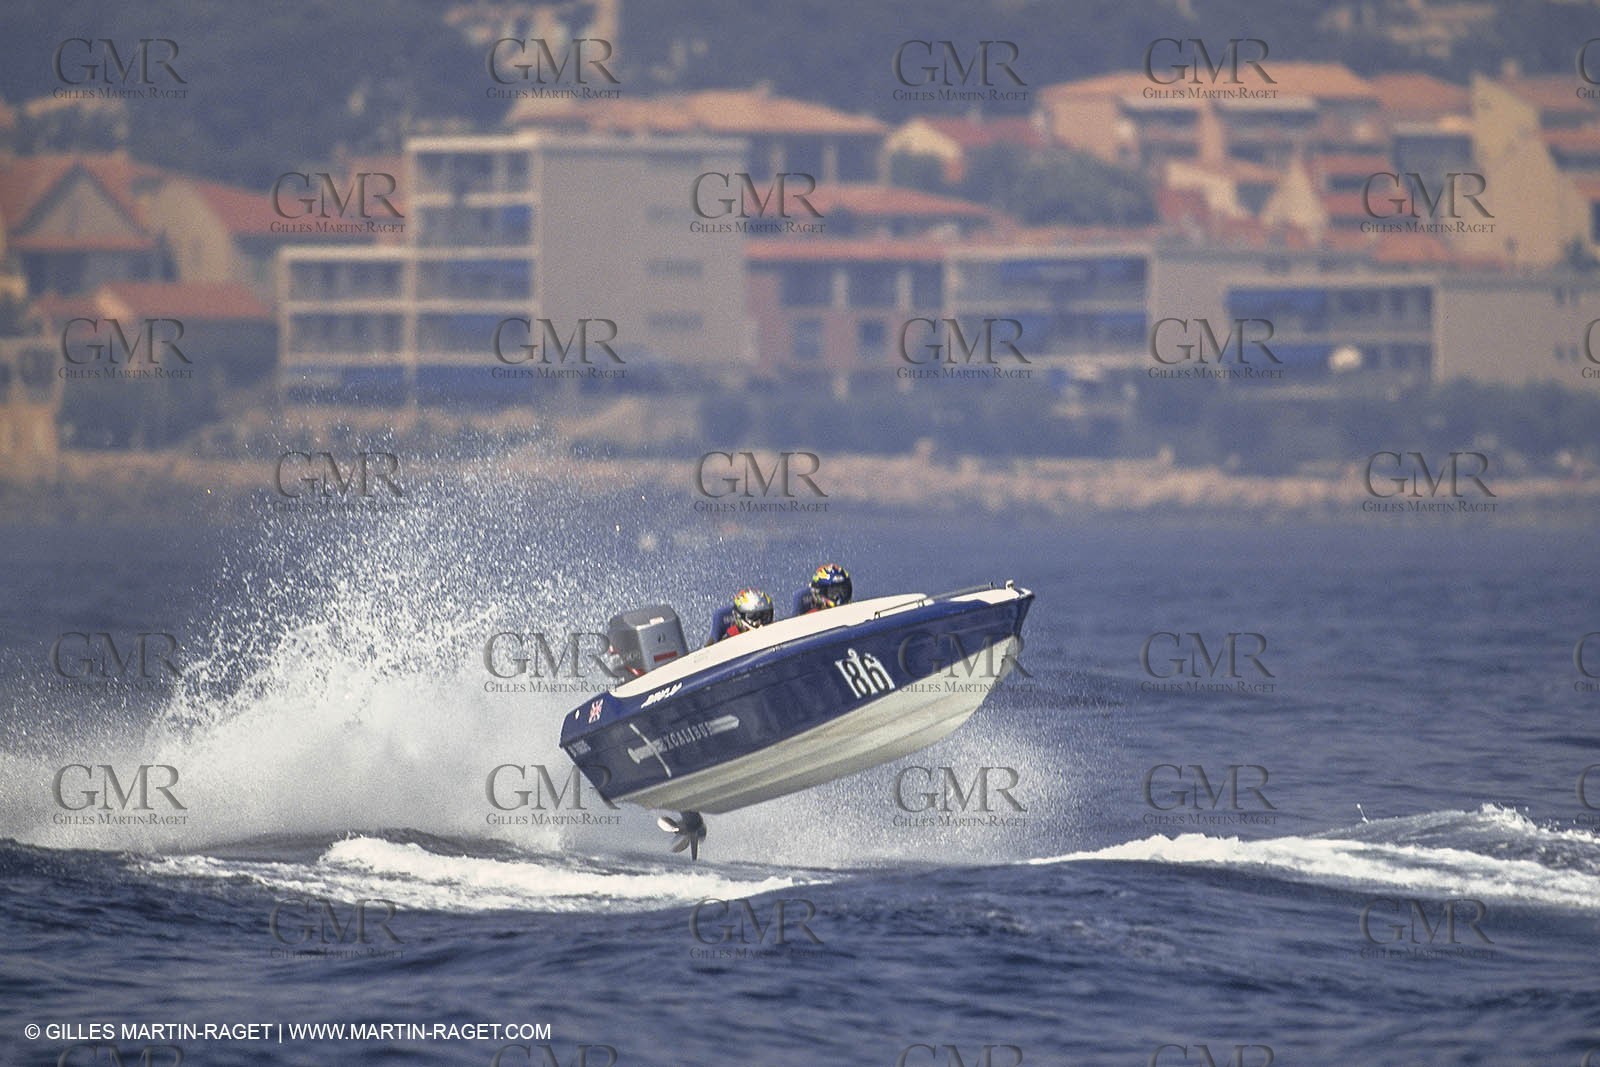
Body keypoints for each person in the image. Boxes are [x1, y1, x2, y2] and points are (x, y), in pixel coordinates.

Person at [708, 588, 774, 645]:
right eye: (754, 617)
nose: (761, 624)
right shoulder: (728, 642)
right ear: (739, 617)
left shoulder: (775, 634)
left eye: (766, 617)